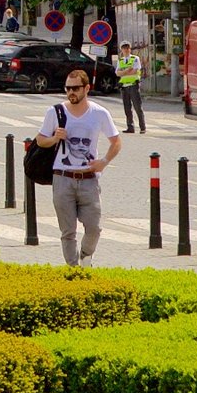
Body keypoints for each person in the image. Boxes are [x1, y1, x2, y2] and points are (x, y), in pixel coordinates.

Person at [32, 69, 121, 267]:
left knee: (94, 227)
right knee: (68, 231)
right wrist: (55, 138)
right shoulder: (55, 112)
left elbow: (116, 141)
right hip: (62, 178)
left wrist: (104, 161)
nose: (71, 92)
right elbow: (40, 140)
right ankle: (74, 270)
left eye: (75, 88)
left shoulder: (99, 113)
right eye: (68, 88)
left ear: (87, 88)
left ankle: (86, 256)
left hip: (89, 179)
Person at [114, 43, 147, 133]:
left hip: (133, 85)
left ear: (130, 49)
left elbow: (135, 71)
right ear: (121, 50)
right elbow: (117, 73)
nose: (125, 50)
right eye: (124, 48)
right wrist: (126, 71)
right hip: (124, 86)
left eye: (127, 48)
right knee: (127, 108)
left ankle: (142, 127)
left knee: (137, 107)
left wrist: (123, 72)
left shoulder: (135, 58)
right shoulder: (120, 60)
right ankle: (130, 127)